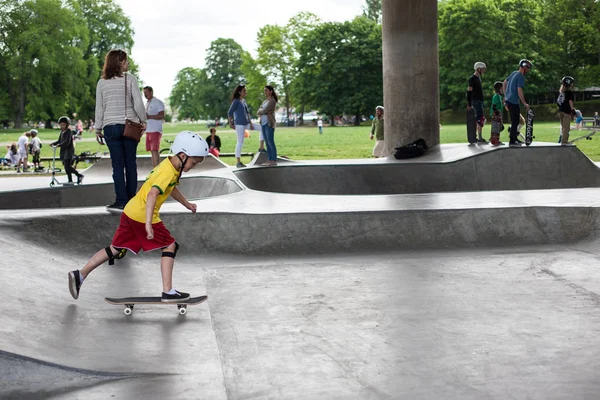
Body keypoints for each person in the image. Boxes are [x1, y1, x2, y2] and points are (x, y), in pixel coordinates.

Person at [68, 131, 209, 302]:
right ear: (182, 155)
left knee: (115, 248)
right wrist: (149, 223)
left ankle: (80, 275)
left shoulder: (170, 166)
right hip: (143, 216)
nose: (193, 167)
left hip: (131, 211)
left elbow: (170, 188)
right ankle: (168, 292)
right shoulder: (168, 172)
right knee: (170, 246)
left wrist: (186, 204)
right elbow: (152, 194)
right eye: (193, 163)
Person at [95, 49, 147, 210]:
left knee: (117, 165)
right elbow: (137, 103)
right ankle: (132, 200)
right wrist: (143, 120)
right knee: (130, 164)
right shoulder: (130, 79)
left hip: (110, 127)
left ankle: (121, 200)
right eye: (125, 61)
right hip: (128, 125)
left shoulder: (101, 82)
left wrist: (98, 128)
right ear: (119, 63)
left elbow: (100, 107)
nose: (128, 63)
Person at [503, 59, 532, 146]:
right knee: (515, 121)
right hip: (513, 102)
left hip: (509, 101)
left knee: (515, 121)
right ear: (524, 68)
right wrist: (525, 103)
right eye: (528, 69)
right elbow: (519, 90)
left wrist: (505, 95)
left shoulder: (514, 73)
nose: (528, 71)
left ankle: (514, 138)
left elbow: (504, 83)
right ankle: (512, 140)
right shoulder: (520, 76)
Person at [227, 84, 254, 168]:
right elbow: (230, 112)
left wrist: (251, 123)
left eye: (246, 91)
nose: (246, 92)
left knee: (262, 128)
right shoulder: (236, 101)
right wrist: (230, 123)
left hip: (246, 123)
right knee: (240, 142)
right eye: (244, 91)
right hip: (239, 124)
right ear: (239, 92)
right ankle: (238, 162)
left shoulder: (243, 101)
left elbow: (247, 113)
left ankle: (261, 148)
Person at [52, 116, 84, 184]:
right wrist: (53, 143)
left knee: (67, 166)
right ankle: (70, 180)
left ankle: (79, 175)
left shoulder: (69, 131)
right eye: (60, 125)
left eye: (63, 125)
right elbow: (59, 140)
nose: (62, 126)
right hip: (64, 151)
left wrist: (59, 145)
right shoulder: (62, 132)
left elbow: (67, 142)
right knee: (66, 167)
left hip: (69, 151)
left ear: (67, 124)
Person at [257, 85, 279, 166]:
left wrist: (262, 111)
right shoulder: (265, 101)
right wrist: (262, 111)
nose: (265, 92)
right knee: (267, 142)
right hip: (263, 123)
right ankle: (269, 159)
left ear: (271, 91)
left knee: (270, 142)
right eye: (264, 91)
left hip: (269, 123)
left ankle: (273, 160)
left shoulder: (272, 101)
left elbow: (264, 110)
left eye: (266, 90)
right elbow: (259, 111)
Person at [143, 86, 165, 167]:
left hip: (155, 130)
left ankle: (157, 170)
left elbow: (162, 116)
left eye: (146, 92)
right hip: (148, 130)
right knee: (152, 151)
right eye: (144, 93)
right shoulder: (147, 103)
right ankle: (154, 169)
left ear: (151, 92)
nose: (145, 94)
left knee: (155, 150)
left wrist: (149, 116)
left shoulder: (158, 102)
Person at [467, 61, 488, 144]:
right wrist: (469, 103)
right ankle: (478, 137)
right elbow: (469, 91)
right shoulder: (472, 79)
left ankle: (477, 136)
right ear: (478, 69)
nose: (484, 70)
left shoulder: (478, 78)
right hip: (475, 101)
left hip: (479, 101)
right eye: (483, 69)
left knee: (480, 119)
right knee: (480, 119)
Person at [556, 76, 575, 145]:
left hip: (560, 112)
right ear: (570, 84)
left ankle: (561, 140)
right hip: (566, 113)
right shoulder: (569, 93)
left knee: (563, 127)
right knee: (566, 128)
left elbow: (558, 102)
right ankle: (564, 142)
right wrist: (573, 110)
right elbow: (570, 102)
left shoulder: (561, 92)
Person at [489, 81, 504, 146]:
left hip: (498, 114)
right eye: (501, 88)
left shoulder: (499, 97)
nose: (503, 89)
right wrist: (497, 113)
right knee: (495, 128)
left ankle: (495, 140)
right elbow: (494, 106)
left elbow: (500, 105)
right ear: (498, 89)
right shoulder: (496, 96)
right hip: (495, 114)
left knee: (498, 128)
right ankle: (494, 141)